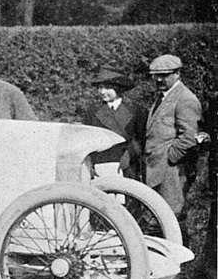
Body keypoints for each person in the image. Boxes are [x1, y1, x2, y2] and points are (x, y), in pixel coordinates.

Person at [143, 54, 202, 216]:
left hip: (172, 171)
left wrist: (170, 158)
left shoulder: (185, 98)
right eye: (156, 76)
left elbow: (189, 137)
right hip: (156, 168)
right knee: (158, 215)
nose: (159, 80)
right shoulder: (163, 96)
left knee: (172, 216)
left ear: (177, 74)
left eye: (164, 75)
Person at [85, 66, 143, 179]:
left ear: (118, 88)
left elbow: (141, 139)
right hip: (99, 165)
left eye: (107, 88)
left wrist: (130, 154)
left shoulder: (136, 110)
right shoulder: (92, 111)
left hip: (127, 166)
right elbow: (87, 141)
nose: (102, 92)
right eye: (100, 87)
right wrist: (89, 164)